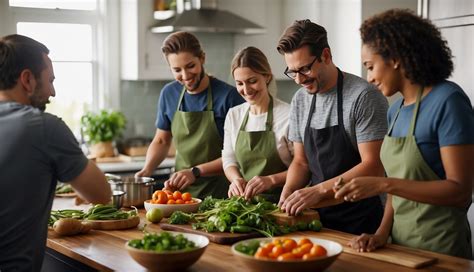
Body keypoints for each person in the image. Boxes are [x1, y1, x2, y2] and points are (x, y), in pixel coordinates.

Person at [334, 9, 474, 259]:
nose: (370, 78)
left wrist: (382, 183)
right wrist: (380, 235)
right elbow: (398, 190)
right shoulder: (395, 110)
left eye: (371, 66)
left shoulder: (448, 101)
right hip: (399, 247)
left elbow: (460, 190)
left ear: (395, 58)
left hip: (442, 250)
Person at [0, 34, 112, 271]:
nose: (53, 92)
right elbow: (101, 194)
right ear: (27, 79)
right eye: (50, 80)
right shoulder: (43, 127)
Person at [276, 19, 389, 235]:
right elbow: (301, 162)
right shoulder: (300, 99)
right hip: (317, 219)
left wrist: (318, 190)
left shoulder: (363, 97)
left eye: (305, 69)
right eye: (292, 72)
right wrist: (288, 191)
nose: (299, 79)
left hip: (362, 220)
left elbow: (374, 165)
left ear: (325, 56)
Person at [136, 31, 244, 199]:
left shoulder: (229, 97)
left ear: (202, 58)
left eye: (190, 66)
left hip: (221, 195)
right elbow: (162, 140)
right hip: (181, 196)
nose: (185, 76)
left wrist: (195, 172)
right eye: (177, 70)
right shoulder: (169, 93)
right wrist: (147, 170)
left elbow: (239, 154)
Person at [223, 46, 293, 203]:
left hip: (283, 203)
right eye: (239, 83)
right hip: (245, 205)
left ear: (267, 77)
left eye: (252, 81)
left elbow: (303, 167)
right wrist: (235, 180)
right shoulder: (234, 115)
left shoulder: (288, 115)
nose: (246, 90)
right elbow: (228, 159)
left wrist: (271, 180)